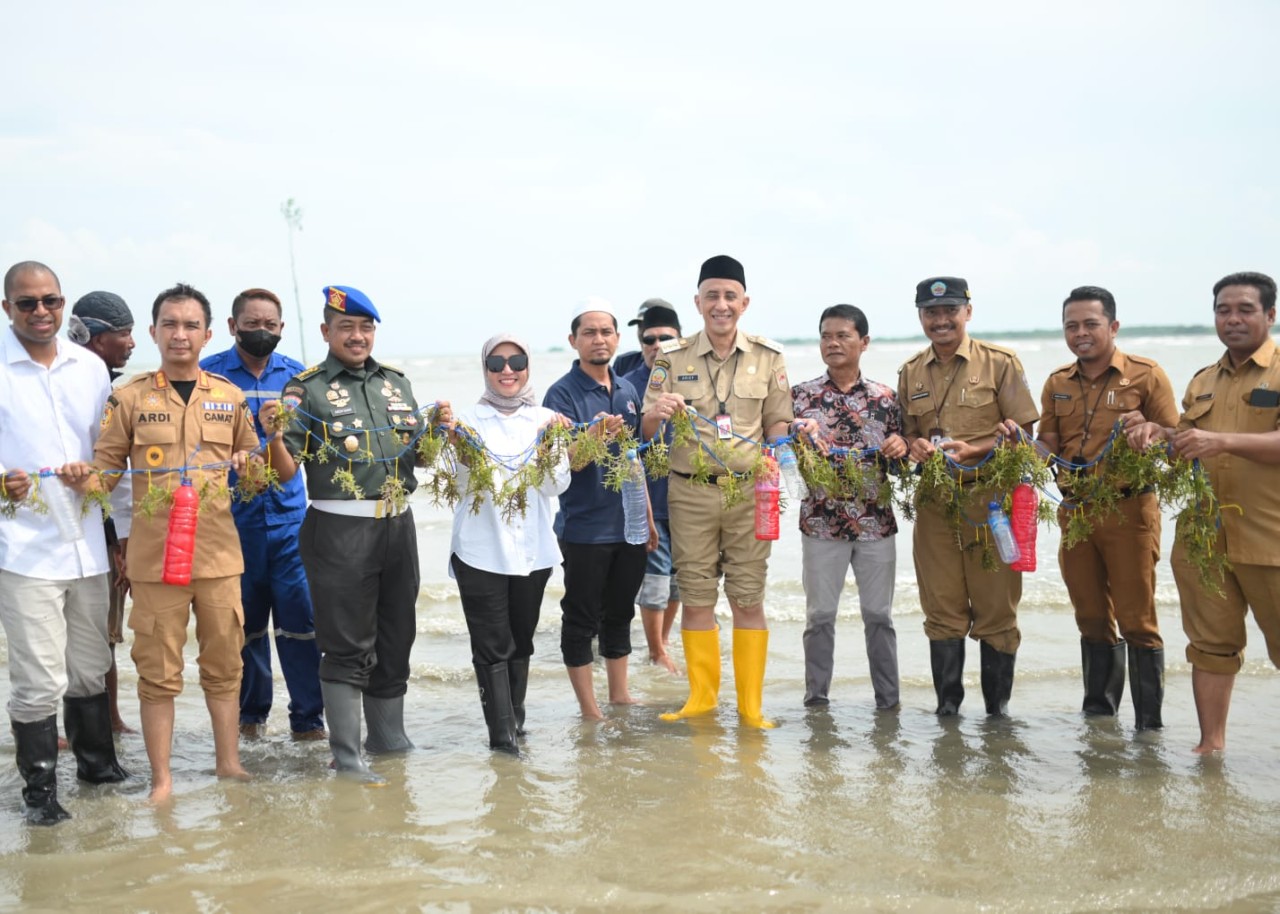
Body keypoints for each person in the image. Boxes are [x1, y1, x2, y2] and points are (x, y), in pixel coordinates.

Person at [260, 285, 452, 782]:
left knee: (397, 635)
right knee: (347, 644)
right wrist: (273, 435)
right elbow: (284, 472)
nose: (357, 336)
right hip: (339, 529)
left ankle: (388, 739)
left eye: (366, 328)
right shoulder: (306, 389)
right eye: (346, 327)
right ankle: (347, 758)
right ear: (326, 332)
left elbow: (420, 457)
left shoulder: (396, 384)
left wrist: (436, 430)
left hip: (398, 525)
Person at [83, 282, 259, 802]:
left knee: (225, 667)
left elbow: (254, 480)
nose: (180, 334)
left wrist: (251, 464)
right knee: (157, 673)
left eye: (190, 325)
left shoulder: (229, 397)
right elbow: (104, 475)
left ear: (207, 334)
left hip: (218, 556)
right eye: (170, 325)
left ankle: (229, 764)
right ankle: (162, 781)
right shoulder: (129, 397)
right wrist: (74, 478)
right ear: (154, 332)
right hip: (156, 560)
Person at [642, 255, 802, 728]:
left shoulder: (768, 357)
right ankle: (702, 700)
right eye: (711, 295)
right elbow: (647, 428)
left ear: (744, 303)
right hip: (690, 492)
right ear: (697, 302)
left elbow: (777, 422)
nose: (721, 304)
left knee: (748, 597)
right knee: (696, 596)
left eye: (730, 296)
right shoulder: (671, 358)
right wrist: (660, 411)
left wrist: (786, 449)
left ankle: (751, 708)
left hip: (750, 492)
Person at [1126, 271, 1280, 753]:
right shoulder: (1203, 381)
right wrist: (1157, 434)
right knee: (1211, 645)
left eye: (1245, 310)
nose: (1232, 319)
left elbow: (1220, 442)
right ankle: (1210, 747)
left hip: (1269, 536)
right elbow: (1187, 448)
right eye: (1222, 310)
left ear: (1270, 315)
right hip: (1204, 538)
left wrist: (1222, 441)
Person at [0, 262, 130, 824]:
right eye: (27, 303)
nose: (40, 312)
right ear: (7, 308)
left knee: (91, 665)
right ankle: (40, 796)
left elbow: (113, 457)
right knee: (38, 678)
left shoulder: (91, 369)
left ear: (62, 303)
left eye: (50, 301)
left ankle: (98, 772)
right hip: (23, 548)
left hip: (88, 545)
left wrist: (120, 531)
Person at [1030, 286, 1178, 728]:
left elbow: (1177, 440)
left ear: (1113, 326)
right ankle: (1099, 718)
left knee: (1137, 620)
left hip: (1129, 511)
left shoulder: (1146, 375)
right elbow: (1047, 444)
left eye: (1091, 324)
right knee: (1091, 617)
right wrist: (1019, 448)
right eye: (1071, 326)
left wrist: (1151, 429)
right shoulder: (1057, 382)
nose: (1080, 333)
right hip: (1075, 512)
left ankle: (1148, 726)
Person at [897, 277, 1038, 717]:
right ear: (921, 316)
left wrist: (976, 450)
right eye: (931, 313)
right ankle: (948, 713)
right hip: (935, 503)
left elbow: (1024, 435)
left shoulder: (1000, 364)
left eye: (950, 311)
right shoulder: (910, 371)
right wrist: (915, 446)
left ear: (968, 312)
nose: (940, 320)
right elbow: (907, 434)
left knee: (997, 611)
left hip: (991, 502)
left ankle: (998, 715)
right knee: (942, 610)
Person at [201, 288, 325, 742]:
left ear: (282, 329)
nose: (261, 332)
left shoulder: (298, 378)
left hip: (291, 523)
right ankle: (250, 719)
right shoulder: (208, 376)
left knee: (301, 626)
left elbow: (309, 448)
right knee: (244, 627)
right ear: (232, 326)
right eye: (251, 324)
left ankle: (308, 721)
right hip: (232, 523)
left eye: (269, 325)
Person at [449, 335, 570, 752]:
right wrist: (460, 451)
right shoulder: (467, 421)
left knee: (521, 640)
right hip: (479, 550)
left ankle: (516, 724)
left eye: (516, 362)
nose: (507, 370)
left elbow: (555, 485)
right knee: (491, 646)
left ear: (528, 367)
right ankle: (502, 742)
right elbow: (462, 486)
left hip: (533, 552)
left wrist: (552, 445)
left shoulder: (546, 419)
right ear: (484, 368)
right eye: (496, 362)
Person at [792, 304, 907, 710]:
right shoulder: (800, 397)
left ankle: (888, 704)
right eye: (826, 336)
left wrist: (901, 446)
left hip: (876, 523)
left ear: (864, 342)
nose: (833, 343)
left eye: (842, 335)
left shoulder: (886, 398)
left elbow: (901, 465)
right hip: (820, 522)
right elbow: (782, 454)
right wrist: (795, 435)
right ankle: (816, 701)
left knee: (879, 616)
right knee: (820, 616)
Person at [542, 299, 650, 720]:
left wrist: (646, 517)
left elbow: (636, 459)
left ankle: (619, 694)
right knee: (581, 618)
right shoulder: (561, 394)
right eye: (589, 333)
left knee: (621, 612)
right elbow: (564, 463)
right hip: (584, 527)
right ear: (574, 341)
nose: (598, 339)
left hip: (629, 525)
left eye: (606, 332)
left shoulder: (627, 390)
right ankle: (589, 710)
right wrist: (595, 437)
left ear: (618, 338)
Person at [68, 290, 137, 733]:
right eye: (123, 334)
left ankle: (109, 720)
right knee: (55, 635)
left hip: (103, 527)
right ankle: (61, 724)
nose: (131, 343)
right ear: (96, 339)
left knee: (104, 631)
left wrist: (122, 539)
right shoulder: (72, 387)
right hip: (59, 523)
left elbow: (121, 477)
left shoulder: (114, 391)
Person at [622, 302, 684, 674]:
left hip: (689, 495)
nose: (657, 345)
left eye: (666, 338)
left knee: (679, 578)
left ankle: (663, 640)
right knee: (656, 578)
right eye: (649, 338)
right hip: (648, 496)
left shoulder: (693, 373)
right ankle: (656, 650)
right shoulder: (626, 379)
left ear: (681, 339)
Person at [614, 298, 669, 377]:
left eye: (649, 325)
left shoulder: (685, 363)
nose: (643, 332)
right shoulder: (624, 363)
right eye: (640, 326)